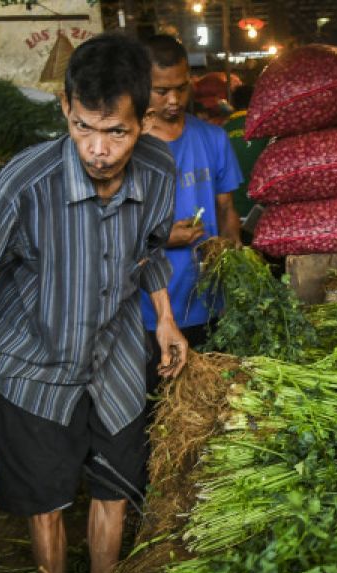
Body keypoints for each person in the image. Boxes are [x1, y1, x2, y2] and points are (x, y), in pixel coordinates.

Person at [0, 33, 189, 573]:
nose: (97, 149)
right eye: (83, 127)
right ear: (65, 111)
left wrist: (165, 318)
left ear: (142, 118)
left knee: (114, 490)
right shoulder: (25, 183)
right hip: (36, 360)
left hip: (118, 358)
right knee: (46, 499)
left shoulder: (159, 169)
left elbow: (148, 249)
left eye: (116, 132)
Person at [142, 34, 242, 380]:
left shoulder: (213, 138)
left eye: (182, 88)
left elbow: (227, 208)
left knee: (214, 399)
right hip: (151, 310)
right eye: (161, 90)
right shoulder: (129, 149)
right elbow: (112, 228)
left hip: (210, 302)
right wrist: (163, 236)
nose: (174, 100)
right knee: (161, 408)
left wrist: (229, 252)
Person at [221, 84, 268, 229]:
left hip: (231, 215)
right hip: (260, 213)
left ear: (233, 103)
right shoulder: (265, 128)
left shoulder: (220, 131)